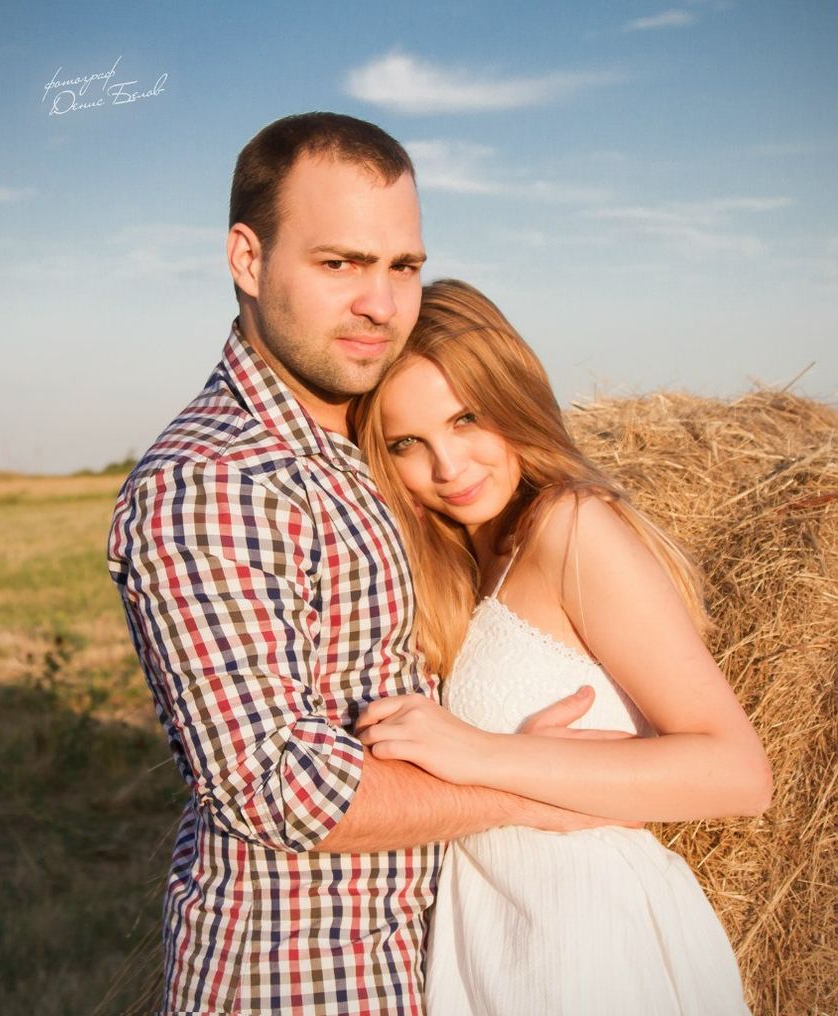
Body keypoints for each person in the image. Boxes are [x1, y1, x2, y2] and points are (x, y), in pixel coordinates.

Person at [108, 115, 620, 1015]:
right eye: (339, 264)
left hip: (443, 957)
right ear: (247, 258)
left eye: (404, 267)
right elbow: (278, 788)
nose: (381, 304)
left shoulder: (377, 442)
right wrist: (519, 783)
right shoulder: (214, 479)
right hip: (305, 977)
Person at [355, 278, 773, 1015]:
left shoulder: (571, 528)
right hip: (497, 942)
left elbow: (737, 772)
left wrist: (481, 753)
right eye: (407, 443)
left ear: (515, 400)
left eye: (467, 419)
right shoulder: (467, 562)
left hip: (591, 944)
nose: (448, 467)